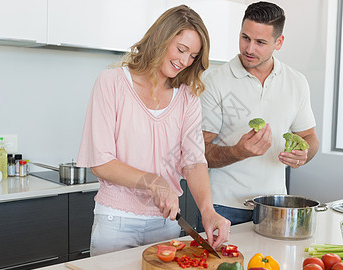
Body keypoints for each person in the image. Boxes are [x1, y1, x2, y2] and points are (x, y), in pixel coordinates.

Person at [77, 5, 231, 256]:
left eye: (193, 56)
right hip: (116, 222)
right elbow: (101, 162)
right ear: (160, 36)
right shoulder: (112, 83)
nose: (185, 61)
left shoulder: (188, 97)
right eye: (181, 49)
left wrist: (208, 211)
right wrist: (153, 182)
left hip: (166, 224)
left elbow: (193, 162)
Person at [198, 1, 319, 230]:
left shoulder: (296, 82)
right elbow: (199, 152)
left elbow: (310, 137)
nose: (249, 49)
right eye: (245, 37)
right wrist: (238, 152)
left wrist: (304, 154)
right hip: (222, 208)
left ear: (279, 42)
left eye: (260, 42)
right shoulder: (215, 82)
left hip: (276, 208)